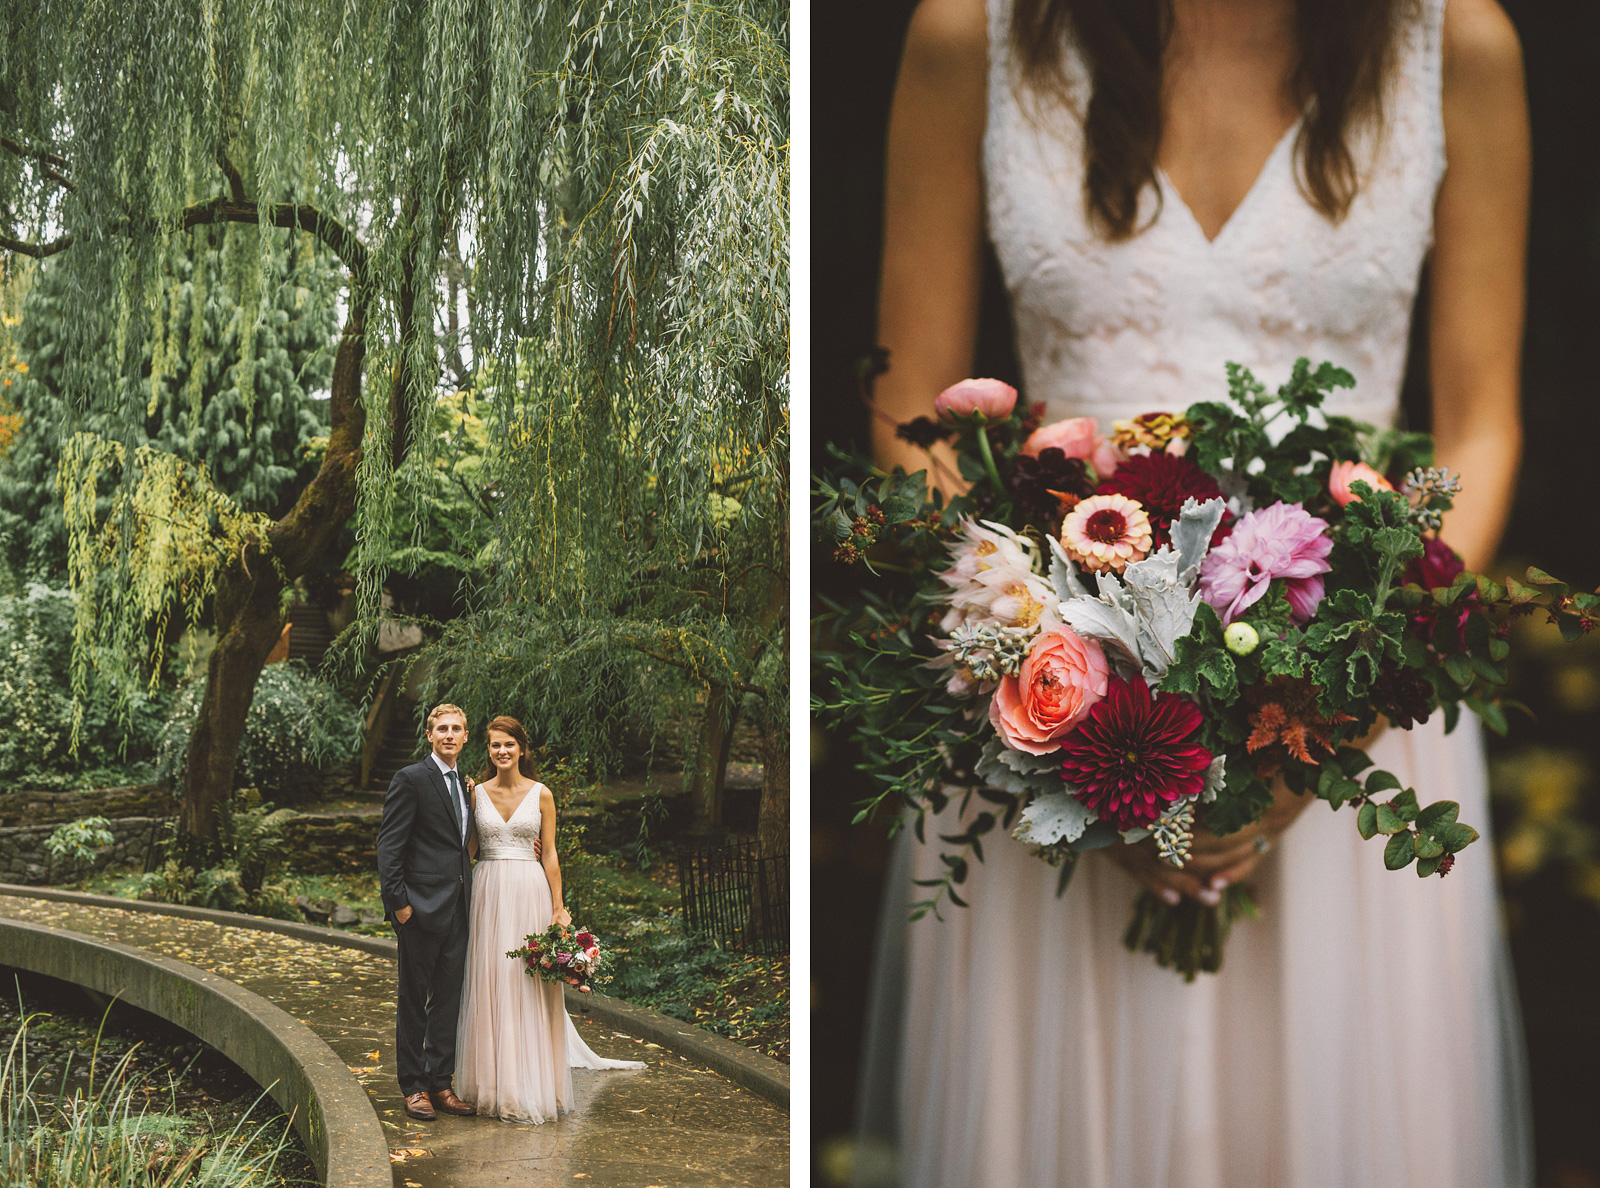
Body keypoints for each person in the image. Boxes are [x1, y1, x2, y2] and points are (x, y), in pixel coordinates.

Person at [862, 0, 1533, 1185]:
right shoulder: (974, 32)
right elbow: (905, 415)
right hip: (1049, 718)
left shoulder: (1454, 42)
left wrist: (1336, 707)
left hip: (1349, 727)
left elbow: (1479, 421)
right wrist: (1052, 696)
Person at [455, 715, 643, 1125]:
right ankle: (491, 1084)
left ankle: (531, 1083)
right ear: (487, 750)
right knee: (490, 981)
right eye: (493, 745)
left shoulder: (542, 794)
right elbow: (467, 849)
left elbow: (551, 854)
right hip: (487, 891)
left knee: (526, 984)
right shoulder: (475, 793)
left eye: (508, 744)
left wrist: (559, 908)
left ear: (522, 748)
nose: (501, 751)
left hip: (529, 891)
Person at [376, 702, 479, 1122]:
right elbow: (389, 846)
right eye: (442, 729)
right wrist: (400, 906)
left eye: (457, 728)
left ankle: (440, 1083)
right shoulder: (411, 779)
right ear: (430, 735)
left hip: (458, 909)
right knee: (414, 1000)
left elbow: (464, 845)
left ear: (466, 736)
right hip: (419, 911)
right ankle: (413, 1086)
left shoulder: (468, 786)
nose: (450, 735)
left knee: (448, 1001)